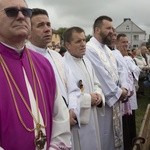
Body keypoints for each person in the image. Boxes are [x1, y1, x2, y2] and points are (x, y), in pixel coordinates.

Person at [0, 1, 69, 150]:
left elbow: (60, 117)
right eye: (12, 11)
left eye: (26, 12)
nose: (21, 16)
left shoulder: (43, 64)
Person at [27, 8, 82, 149]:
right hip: (47, 127)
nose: (47, 29)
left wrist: (73, 110)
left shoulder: (58, 57)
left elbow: (73, 89)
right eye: (40, 25)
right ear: (28, 30)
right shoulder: (25, 58)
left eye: (48, 24)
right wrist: (63, 119)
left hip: (69, 123)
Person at [86, 16, 128, 150]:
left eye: (112, 28)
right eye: (108, 28)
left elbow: (120, 70)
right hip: (103, 106)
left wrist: (124, 87)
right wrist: (120, 92)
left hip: (115, 103)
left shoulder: (107, 50)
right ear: (97, 30)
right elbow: (102, 77)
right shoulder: (90, 49)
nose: (112, 31)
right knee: (104, 139)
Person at [63, 26, 105, 150]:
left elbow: (97, 84)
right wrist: (88, 99)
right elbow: (65, 97)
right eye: (78, 41)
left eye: (84, 40)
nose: (83, 44)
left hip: (92, 116)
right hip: (78, 122)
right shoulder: (63, 65)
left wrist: (98, 96)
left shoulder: (86, 61)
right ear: (67, 45)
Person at [116, 33, 141, 150]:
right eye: (123, 42)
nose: (126, 44)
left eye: (127, 42)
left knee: (131, 121)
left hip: (131, 95)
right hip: (122, 95)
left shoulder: (128, 58)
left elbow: (136, 71)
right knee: (124, 123)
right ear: (117, 43)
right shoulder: (114, 56)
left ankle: (133, 142)